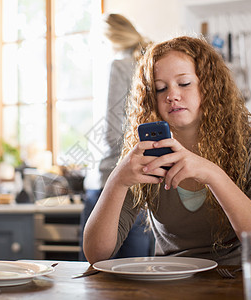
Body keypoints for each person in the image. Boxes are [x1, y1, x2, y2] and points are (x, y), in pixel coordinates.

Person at [83, 35, 251, 265]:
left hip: (236, 283)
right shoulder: (148, 158)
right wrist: (118, 180)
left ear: (210, 87)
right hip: (170, 285)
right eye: (161, 88)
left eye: (184, 83)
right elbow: (95, 254)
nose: (172, 95)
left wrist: (213, 175)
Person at [81, 14, 153, 260]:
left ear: (107, 40)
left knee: (95, 274)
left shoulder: (119, 65)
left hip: (108, 183)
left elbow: (111, 132)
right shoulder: (148, 63)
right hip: (142, 183)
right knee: (135, 271)